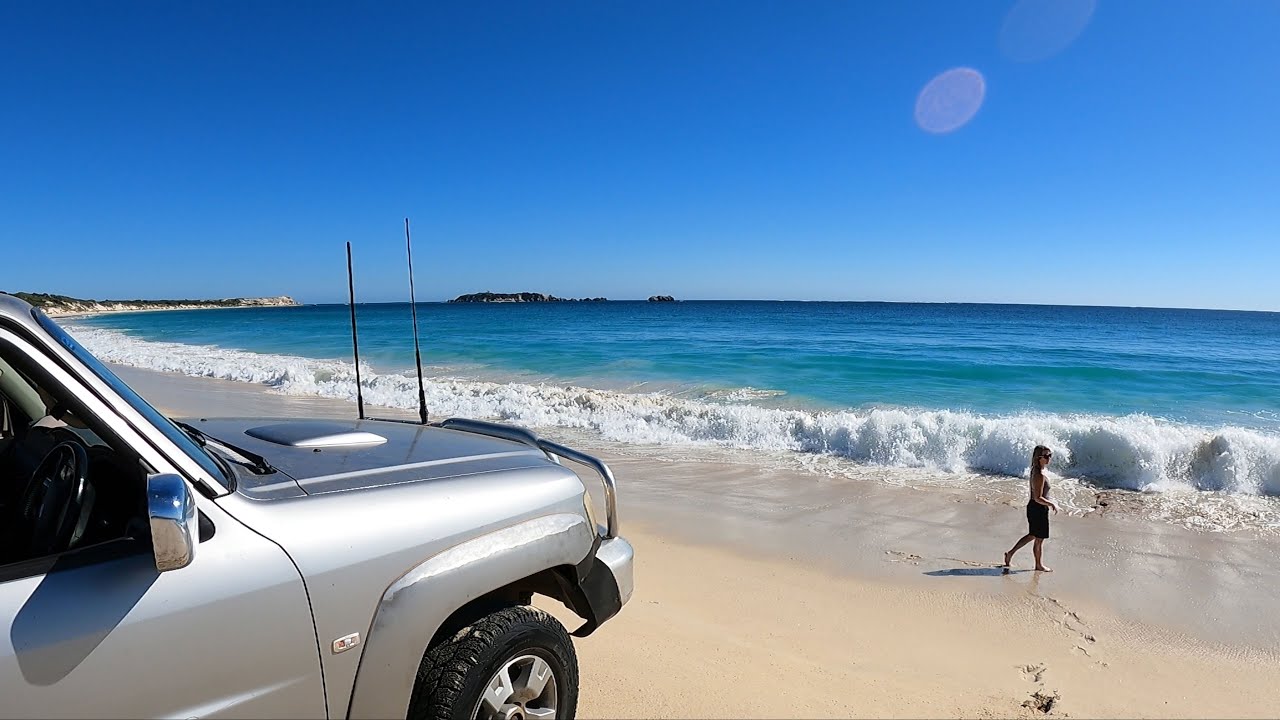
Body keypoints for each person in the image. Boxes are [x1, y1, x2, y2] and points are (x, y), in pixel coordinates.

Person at [1003, 445, 1058, 572]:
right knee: (1038, 538)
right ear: (1039, 458)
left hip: (1035, 508)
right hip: (1038, 508)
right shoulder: (1039, 475)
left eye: (1050, 455)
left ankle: (1010, 553)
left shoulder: (1036, 471)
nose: (1049, 458)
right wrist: (1052, 504)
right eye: (1046, 456)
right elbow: (1038, 497)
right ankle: (1038, 565)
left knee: (1033, 535)